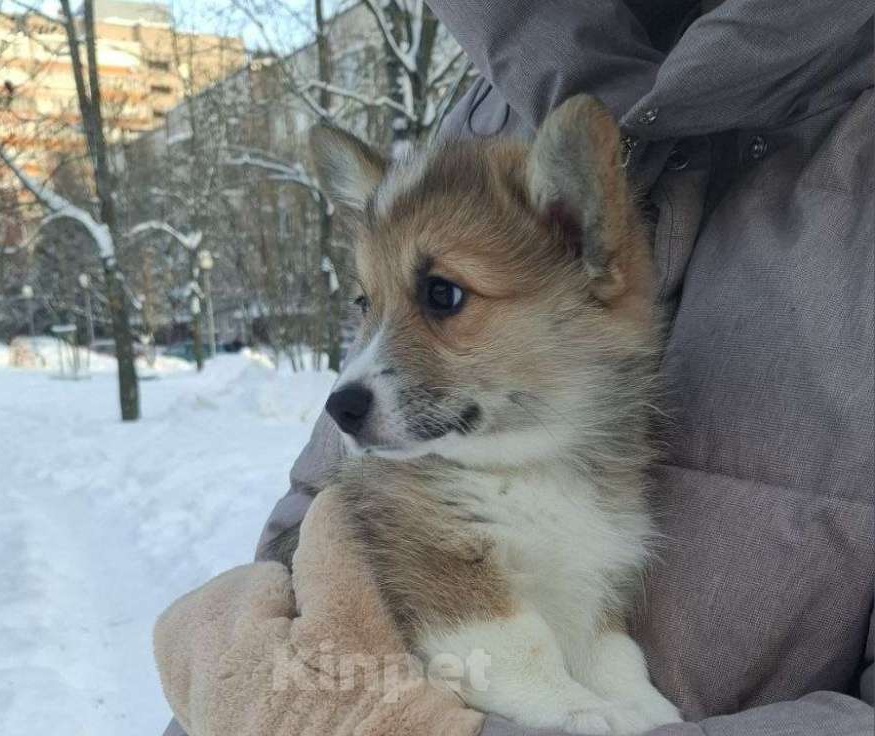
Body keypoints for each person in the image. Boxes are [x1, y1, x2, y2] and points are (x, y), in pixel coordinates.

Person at [154, 1, 874, 734]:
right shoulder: (495, 100)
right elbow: (309, 571)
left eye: (443, 297)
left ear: (578, 240)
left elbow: (582, 608)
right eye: (370, 304)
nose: (363, 366)